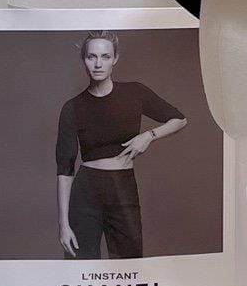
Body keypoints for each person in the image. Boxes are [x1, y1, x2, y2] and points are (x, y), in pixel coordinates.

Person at [55, 30, 187, 259]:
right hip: (86, 192)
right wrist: (63, 224)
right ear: (84, 59)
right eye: (91, 56)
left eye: (105, 56)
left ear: (115, 58)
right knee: (80, 266)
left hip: (122, 187)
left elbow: (179, 119)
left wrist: (148, 136)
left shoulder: (135, 92)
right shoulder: (72, 107)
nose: (98, 64)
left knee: (130, 263)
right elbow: (65, 171)